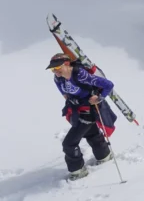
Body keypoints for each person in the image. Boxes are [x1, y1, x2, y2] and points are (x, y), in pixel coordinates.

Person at [48, 53, 117, 181]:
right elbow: (66, 95)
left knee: (69, 144)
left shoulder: (80, 74)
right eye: (53, 69)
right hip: (77, 111)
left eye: (57, 68)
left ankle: (78, 171)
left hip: (89, 112)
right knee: (91, 133)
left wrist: (98, 98)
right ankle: (104, 156)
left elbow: (108, 84)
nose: (55, 72)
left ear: (67, 64)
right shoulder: (58, 79)